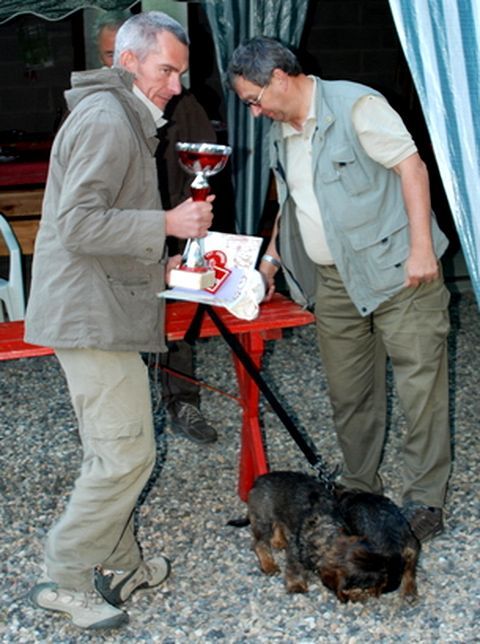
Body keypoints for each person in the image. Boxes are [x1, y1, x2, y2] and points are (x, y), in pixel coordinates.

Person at [24, 12, 214, 630]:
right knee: (126, 455)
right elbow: (77, 225)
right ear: (128, 61)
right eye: (167, 69)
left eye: (181, 72)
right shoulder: (108, 118)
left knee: (114, 448)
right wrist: (166, 224)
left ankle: (121, 562)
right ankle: (67, 574)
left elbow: (95, 228)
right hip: (90, 314)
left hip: (96, 306)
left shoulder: (121, 117)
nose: (177, 84)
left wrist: (166, 265)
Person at [228, 37, 452, 542]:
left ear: (280, 77)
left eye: (254, 99)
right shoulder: (283, 133)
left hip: (397, 269)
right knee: (349, 393)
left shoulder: (358, 106)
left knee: (420, 390)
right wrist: (268, 262)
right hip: (335, 281)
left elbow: (410, 168)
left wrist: (421, 248)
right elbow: (293, 204)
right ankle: (358, 488)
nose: (256, 111)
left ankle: (424, 500)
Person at [94, 11, 229, 445]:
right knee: (117, 329)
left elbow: (205, 168)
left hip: (169, 228)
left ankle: (181, 399)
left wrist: (191, 215)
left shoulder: (180, 101)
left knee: (175, 325)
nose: (116, 64)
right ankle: (121, 420)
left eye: (121, 55)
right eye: (107, 56)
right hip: (111, 238)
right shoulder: (91, 110)